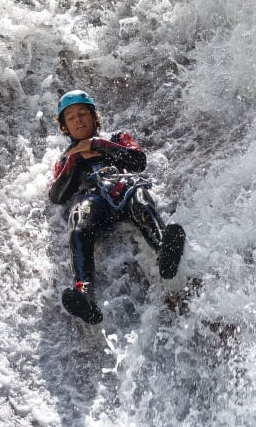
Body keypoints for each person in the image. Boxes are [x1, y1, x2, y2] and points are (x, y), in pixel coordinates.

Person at [49, 89, 186, 324]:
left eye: (82, 113)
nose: (78, 120)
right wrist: (76, 157)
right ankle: (84, 293)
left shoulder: (117, 138)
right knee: (78, 225)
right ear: (65, 127)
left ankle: (165, 250)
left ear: (94, 117)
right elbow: (57, 195)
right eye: (71, 118)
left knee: (140, 198)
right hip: (93, 200)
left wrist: (98, 145)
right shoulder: (65, 158)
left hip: (124, 188)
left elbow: (138, 160)